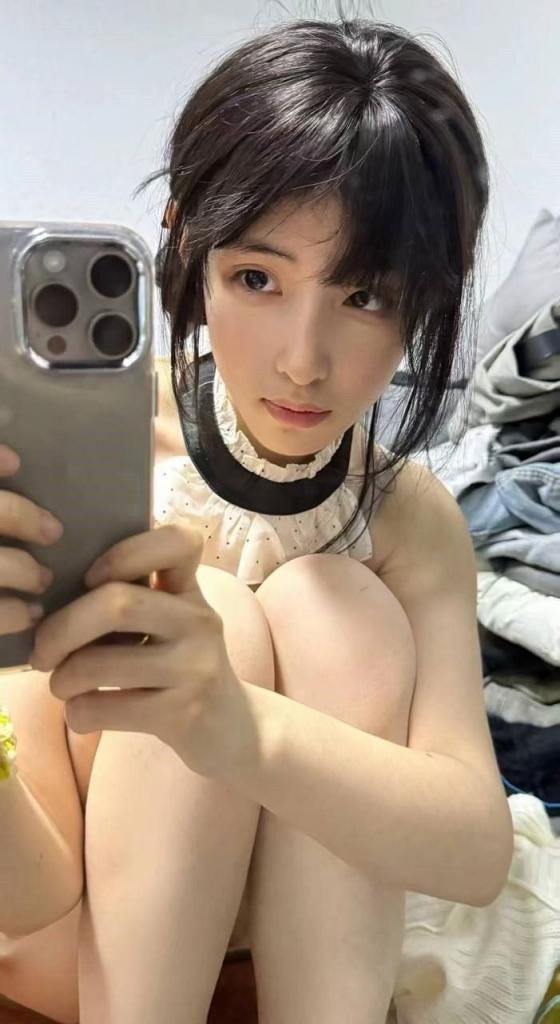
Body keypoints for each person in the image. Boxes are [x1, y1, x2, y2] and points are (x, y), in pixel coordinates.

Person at [0, 6, 514, 1023]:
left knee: (336, 607)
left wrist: (236, 729)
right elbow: (29, 895)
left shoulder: (403, 518)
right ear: (186, 245)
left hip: (287, 950)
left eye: (365, 297)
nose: (302, 360)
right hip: (89, 944)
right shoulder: (84, 461)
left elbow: (474, 851)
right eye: (255, 279)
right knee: (214, 613)